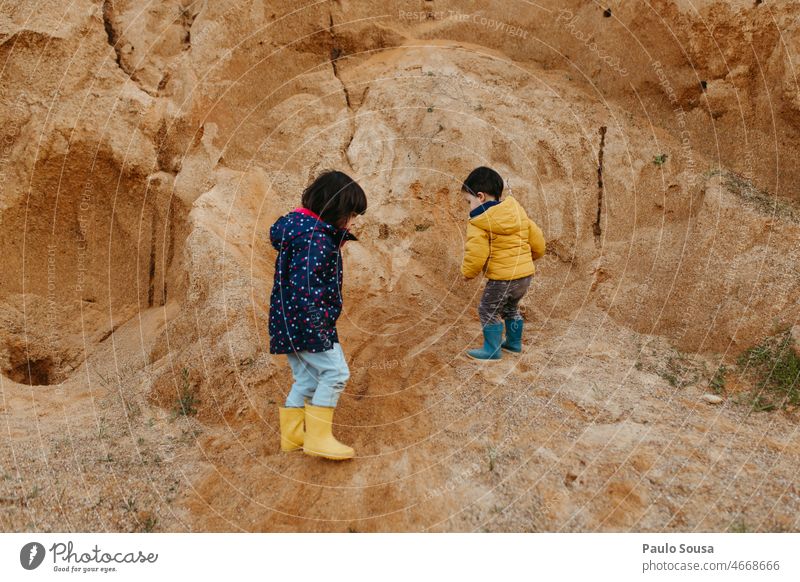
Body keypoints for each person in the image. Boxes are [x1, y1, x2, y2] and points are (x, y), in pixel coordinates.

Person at [269, 170, 367, 460]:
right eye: (351, 214)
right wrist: (319, 324)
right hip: (307, 323)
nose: (352, 221)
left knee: (307, 380)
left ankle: (293, 436)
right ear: (335, 208)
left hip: (289, 322)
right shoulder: (315, 240)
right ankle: (318, 438)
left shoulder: (302, 233)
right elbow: (307, 287)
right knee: (336, 373)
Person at [460, 166, 546, 360]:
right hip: (524, 277)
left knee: (487, 309)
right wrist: (530, 259)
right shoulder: (518, 213)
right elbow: (538, 242)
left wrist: (468, 272)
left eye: (468, 201)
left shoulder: (479, 222)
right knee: (510, 308)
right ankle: (514, 343)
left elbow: (477, 252)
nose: (469, 207)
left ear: (480, 197)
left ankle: (492, 349)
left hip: (501, 279)